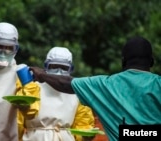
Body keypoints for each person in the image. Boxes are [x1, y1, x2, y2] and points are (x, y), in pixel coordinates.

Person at [29, 36, 161, 141]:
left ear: (123, 61)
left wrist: (42, 74)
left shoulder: (105, 85)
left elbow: (66, 84)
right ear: (151, 62)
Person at [18, 47, 95, 141]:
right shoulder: (33, 88)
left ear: (71, 69)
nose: (59, 71)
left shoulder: (76, 93)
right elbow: (18, 122)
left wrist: (85, 136)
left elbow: (83, 123)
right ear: (46, 66)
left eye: (64, 68)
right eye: (54, 67)